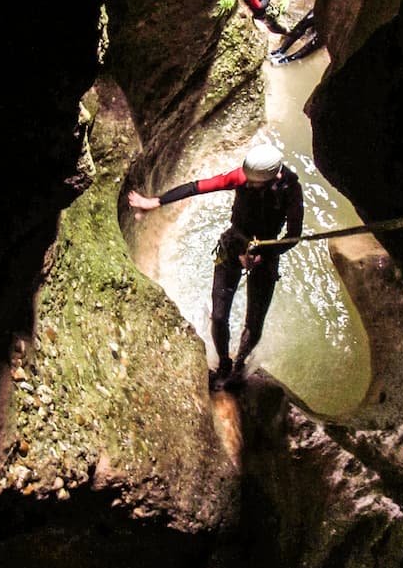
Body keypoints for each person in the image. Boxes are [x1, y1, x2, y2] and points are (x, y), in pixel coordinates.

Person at [128, 143, 304, 390]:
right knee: (219, 316)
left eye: (255, 183)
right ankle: (223, 363)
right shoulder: (242, 176)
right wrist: (156, 202)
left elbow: (293, 235)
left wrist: (263, 255)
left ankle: (240, 364)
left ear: (272, 176)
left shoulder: (291, 190)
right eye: (248, 181)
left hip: (265, 254)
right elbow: (197, 187)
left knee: (254, 324)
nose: (248, 185)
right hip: (234, 244)